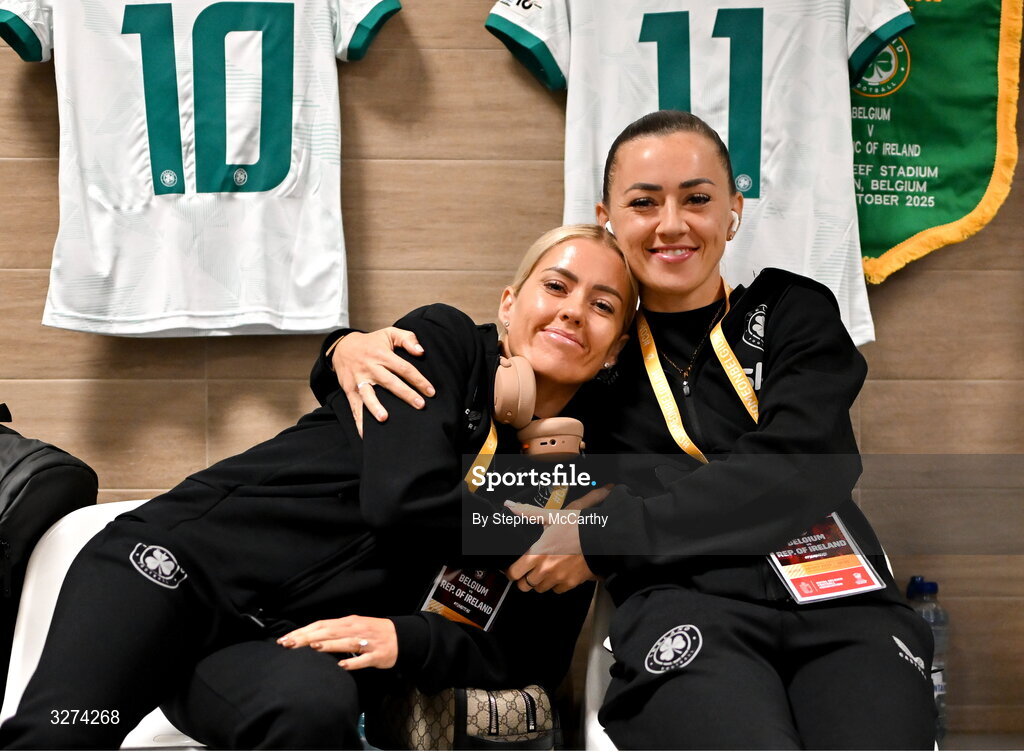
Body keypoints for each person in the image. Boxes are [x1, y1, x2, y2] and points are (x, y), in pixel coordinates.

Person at [323, 111, 938, 750]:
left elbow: (806, 468)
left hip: (841, 597)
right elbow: (477, 372)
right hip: (687, 606)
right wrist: (343, 348)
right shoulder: (594, 359)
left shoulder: (791, 312)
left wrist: (606, 537)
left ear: (733, 209)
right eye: (644, 202)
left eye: (697, 199)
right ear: (610, 215)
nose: (672, 224)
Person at [0, 224, 637, 750]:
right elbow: (402, 501)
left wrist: (405, 640)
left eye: (603, 305)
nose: (573, 311)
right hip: (172, 572)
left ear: (616, 349)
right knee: (62, 738)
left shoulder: (580, 484)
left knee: (314, 711)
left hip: (282, 649)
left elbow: (531, 653)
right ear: (508, 303)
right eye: (556, 285)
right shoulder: (438, 345)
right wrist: (561, 515)